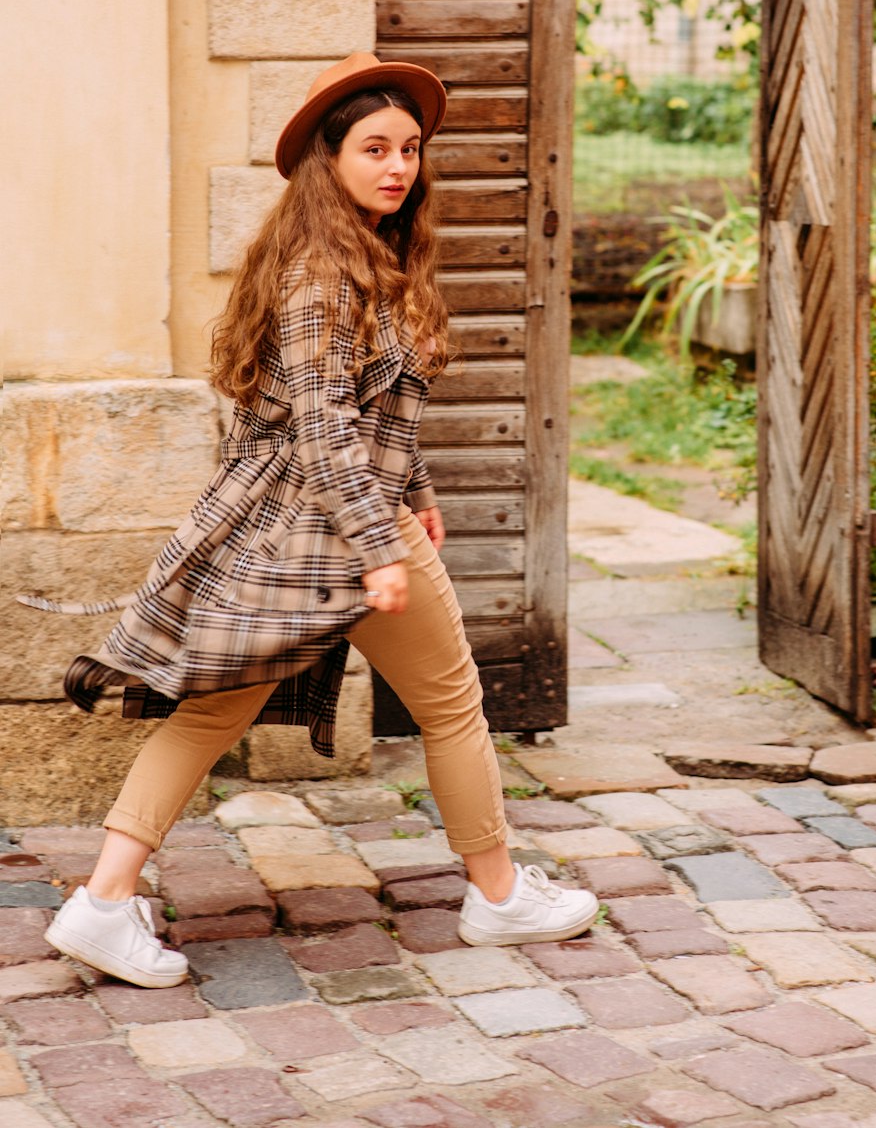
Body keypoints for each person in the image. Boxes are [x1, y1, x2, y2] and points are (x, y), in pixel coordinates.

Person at [25, 52, 598, 989]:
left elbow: (368, 413)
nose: (398, 166)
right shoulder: (324, 276)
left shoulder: (355, 260)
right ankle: (499, 899)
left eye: (410, 148)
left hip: (308, 530)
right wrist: (383, 543)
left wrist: (416, 492)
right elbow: (328, 427)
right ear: (327, 160)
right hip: (334, 530)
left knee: (214, 712)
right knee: (452, 702)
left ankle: (102, 902)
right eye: (374, 148)